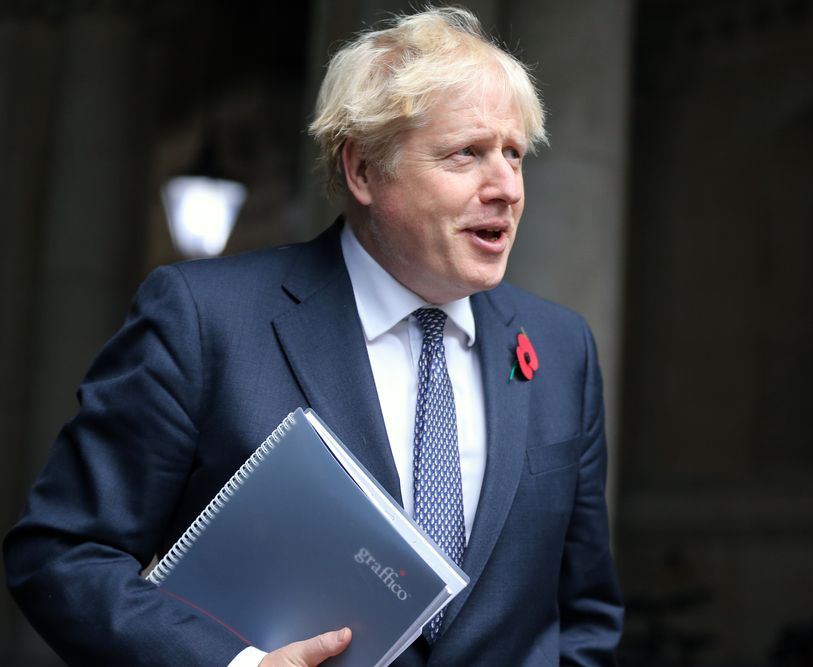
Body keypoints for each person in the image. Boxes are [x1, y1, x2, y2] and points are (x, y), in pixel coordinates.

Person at [4, 7, 624, 666]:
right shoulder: (205, 319)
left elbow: (583, 612)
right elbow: (62, 554)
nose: (505, 188)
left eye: (513, 155)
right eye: (467, 153)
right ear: (361, 170)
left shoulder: (561, 349)